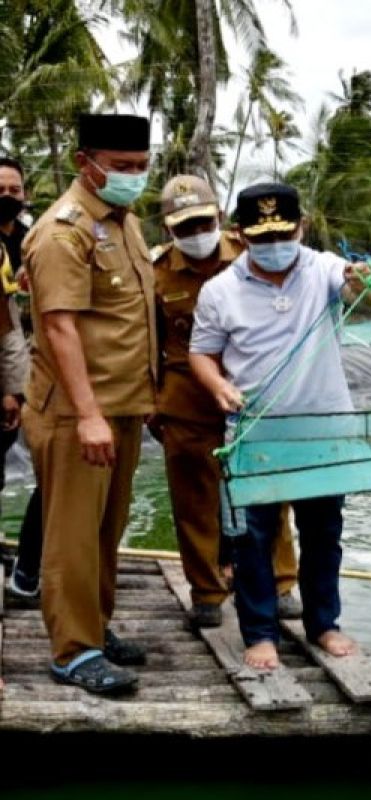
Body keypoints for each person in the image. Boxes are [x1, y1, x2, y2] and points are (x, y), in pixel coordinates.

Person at [189, 182, 371, 670]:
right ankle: (259, 633)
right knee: (250, 540)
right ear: (239, 234)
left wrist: (366, 280)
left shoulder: (322, 269)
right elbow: (201, 355)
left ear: (302, 227)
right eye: (260, 237)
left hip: (323, 433)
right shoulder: (219, 291)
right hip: (255, 435)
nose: (274, 246)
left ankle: (324, 624)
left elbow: (369, 292)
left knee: (323, 533)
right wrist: (217, 386)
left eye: (283, 233)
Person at [21, 114, 156, 695]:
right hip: (78, 412)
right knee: (72, 534)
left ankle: (95, 626)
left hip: (122, 405)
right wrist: (90, 414)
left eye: (141, 168)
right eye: (122, 168)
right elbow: (59, 328)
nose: (133, 178)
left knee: (106, 529)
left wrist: (139, 399)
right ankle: (73, 651)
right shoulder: (62, 232)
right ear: (86, 163)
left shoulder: (125, 223)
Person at [151, 174, 301, 628]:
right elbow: (149, 345)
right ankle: (207, 592)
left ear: (219, 217)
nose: (196, 234)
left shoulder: (253, 255)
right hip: (187, 403)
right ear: (167, 228)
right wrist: (153, 405)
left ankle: (281, 582)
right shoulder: (155, 273)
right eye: (184, 228)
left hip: (254, 398)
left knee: (269, 494)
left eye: (202, 222)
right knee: (194, 503)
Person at [0, 156, 41, 604]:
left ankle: (26, 571)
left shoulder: (33, 241)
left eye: (14, 190)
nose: (7, 197)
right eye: (1, 189)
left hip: (28, 367)